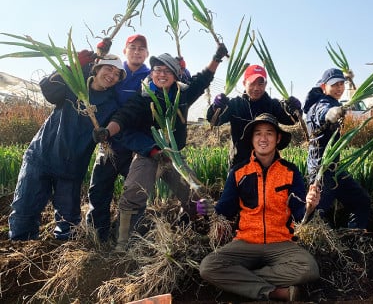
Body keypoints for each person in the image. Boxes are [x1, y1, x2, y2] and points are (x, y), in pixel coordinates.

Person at [93, 43, 228, 250]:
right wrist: (106, 131)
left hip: (173, 154)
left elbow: (202, 79)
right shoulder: (143, 97)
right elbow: (124, 116)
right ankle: (122, 243)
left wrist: (217, 58)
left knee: (195, 193)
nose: (161, 74)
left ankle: (200, 231)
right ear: (152, 73)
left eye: (167, 71)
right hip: (150, 154)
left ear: (175, 75)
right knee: (133, 193)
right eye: (157, 70)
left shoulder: (181, 95)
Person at [199, 113, 321, 301]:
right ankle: (276, 292)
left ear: (278, 138)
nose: (263, 138)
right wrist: (206, 210)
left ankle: (242, 281)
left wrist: (309, 207)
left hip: (281, 243)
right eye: (258, 134)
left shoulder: (290, 171)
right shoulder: (239, 172)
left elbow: (298, 213)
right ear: (252, 139)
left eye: (269, 133)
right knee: (208, 266)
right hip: (245, 242)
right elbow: (225, 209)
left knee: (309, 269)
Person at [8, 54, 126, 240]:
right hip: (42, 156)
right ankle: (21, 248)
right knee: (24, 209)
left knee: (68, 222)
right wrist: (74, 65)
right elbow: (48, 89)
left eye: (118, 74)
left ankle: (64, 255)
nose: (112, 75)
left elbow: (117, 125)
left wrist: (104, 133)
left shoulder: (111, 105)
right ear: (97, 68)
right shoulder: (74, 85)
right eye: (109, 69)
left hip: (72, 167)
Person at [86, 34, 150, 241]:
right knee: (99, 189)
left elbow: (175, 82)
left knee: (136, 193)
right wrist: (98, 53)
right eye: (133, 47)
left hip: (136, 146)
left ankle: (128, 237)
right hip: (110, 143)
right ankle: (97, 235)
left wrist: (183, 70)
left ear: (147, 54)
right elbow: (91, 76)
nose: (137, 51)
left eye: (141, 48)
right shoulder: (115, 72)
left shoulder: (150, 76)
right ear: (125, 51)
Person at [303, 68, 371, 229]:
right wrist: (331, 113)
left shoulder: (332, 100)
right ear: (324, 86)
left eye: (341, 84)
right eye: (334, 85)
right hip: (321, 170)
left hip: (335, 170)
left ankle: (352, 235)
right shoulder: (320, 103)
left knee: (361, 201)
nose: (339, 88)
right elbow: (322, 113)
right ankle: (305, 241)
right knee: (317, 212)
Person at [206, 64, 302, 167]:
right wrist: (216, 107)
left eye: (260, 84)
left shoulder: (273, 105)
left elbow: (291, 120)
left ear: (265, 85)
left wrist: (295, 110)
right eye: (252, 83)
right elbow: (214, 121)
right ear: (244, 83)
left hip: (266, 165)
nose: (256, 88)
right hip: (239, 163)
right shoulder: (234, 104)